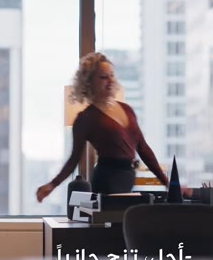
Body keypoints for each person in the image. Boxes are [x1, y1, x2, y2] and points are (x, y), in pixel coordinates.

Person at [36, 52, 169, 202]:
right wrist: (53, 184)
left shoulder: (127, 110)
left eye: (112, 75)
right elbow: (74, 159)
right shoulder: (86, 118)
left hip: (128, 178)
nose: (110, 81)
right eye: (103, 77)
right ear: (89, 83)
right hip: (107, 180)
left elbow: (143, 149)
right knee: (113, 216)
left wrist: (168, 183)